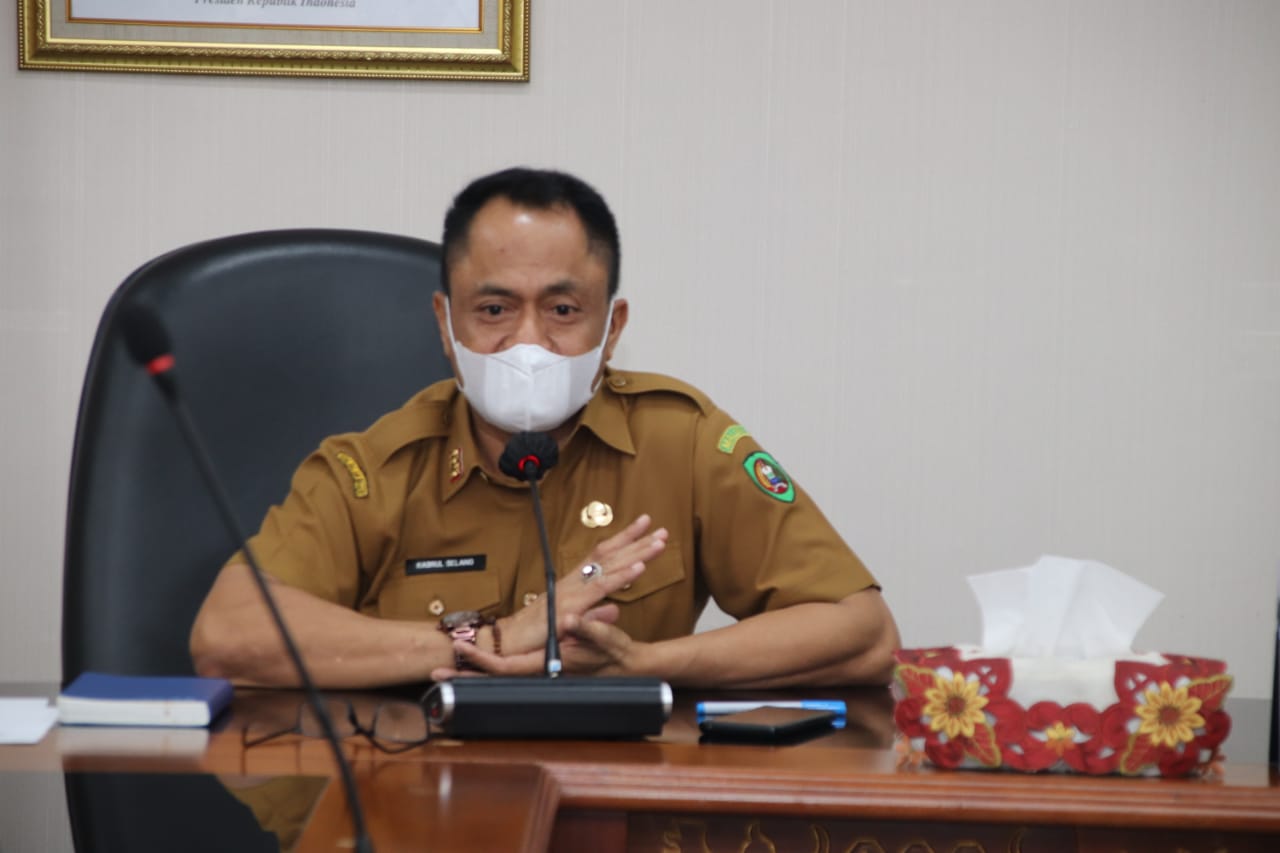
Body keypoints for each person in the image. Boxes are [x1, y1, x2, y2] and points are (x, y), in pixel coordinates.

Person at [190, 167, 900, 689]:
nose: (528, 343)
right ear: (445, 324)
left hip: (620, 800)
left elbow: (863, 632)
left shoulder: (680, 442)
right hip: (420, 796)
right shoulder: (374, 469)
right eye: (494, 310)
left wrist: (644, 665)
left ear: (611, 328)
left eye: (562, 311)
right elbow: (227, 634)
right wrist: (489, 640)